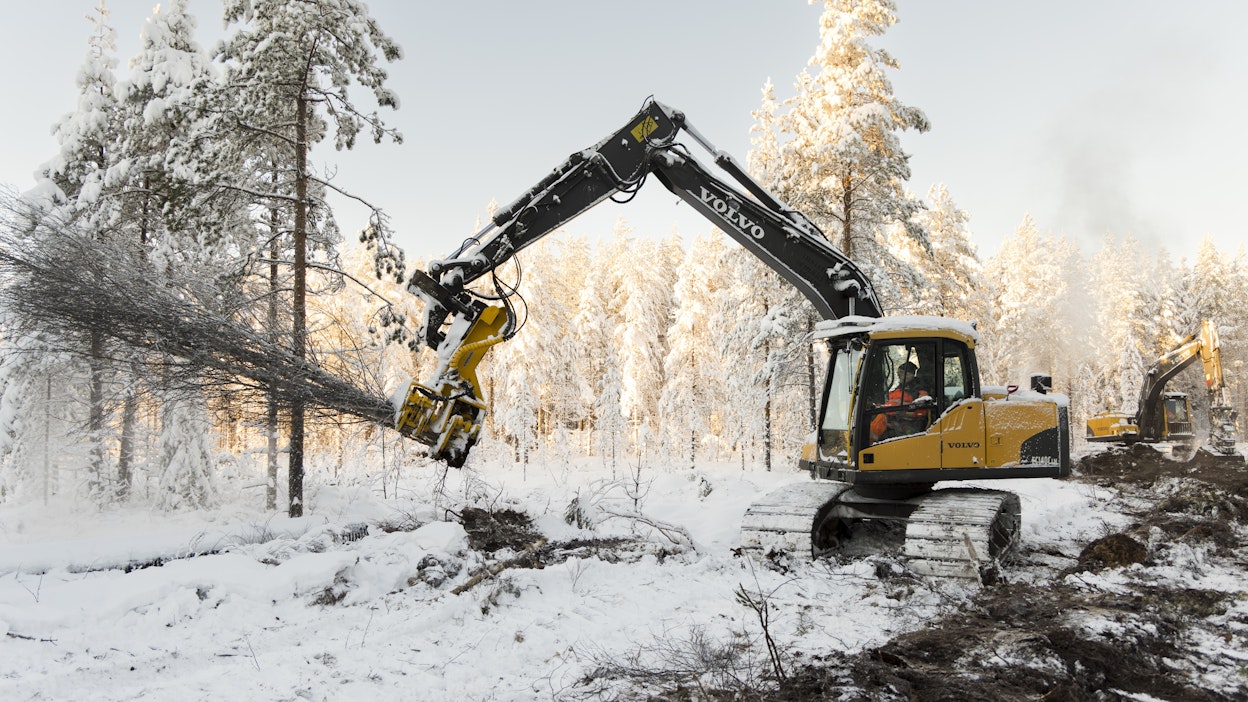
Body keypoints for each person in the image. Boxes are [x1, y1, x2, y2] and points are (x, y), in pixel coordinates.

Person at [869, 361, 931, 442]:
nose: (899, 375)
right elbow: (891, 403)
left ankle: (868, 442)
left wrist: (898, 410)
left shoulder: (919, 389)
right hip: (894, 418)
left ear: (909, 374)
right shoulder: (899, 388)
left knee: (881, 418)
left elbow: (922, 408)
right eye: (898, 373)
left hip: (906, 422)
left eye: (901, 373)